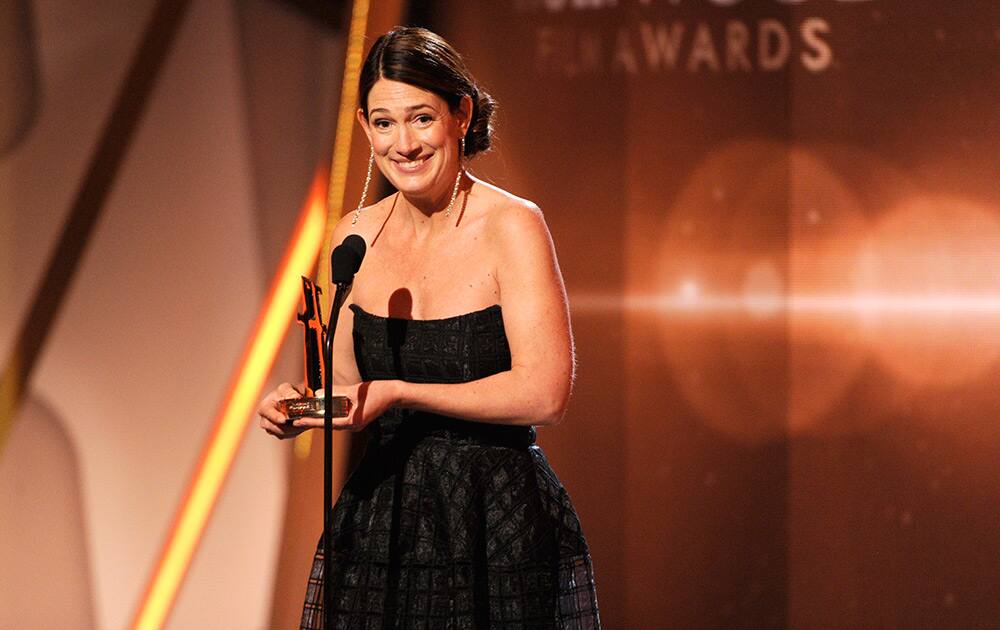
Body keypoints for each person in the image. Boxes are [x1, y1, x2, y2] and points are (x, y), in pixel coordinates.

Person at [257, 26, 600, 629]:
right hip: (380, 524)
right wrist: (301, 407)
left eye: (421, 118)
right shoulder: (354, 235)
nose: (404, 144)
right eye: (385, 123)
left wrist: (402, 391)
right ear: (364, 128)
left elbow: (546, 391)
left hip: (496, 522)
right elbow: (345, 388)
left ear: (461, 115)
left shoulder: (512, 226)